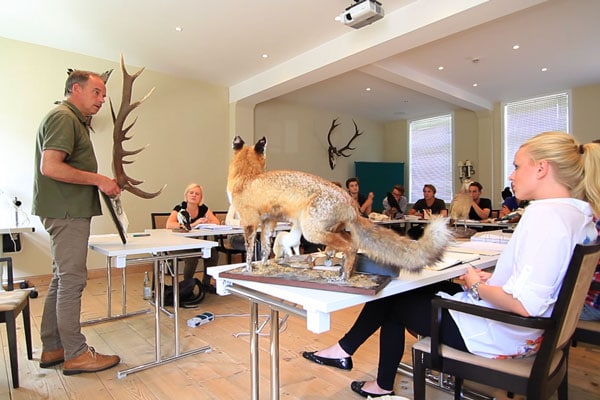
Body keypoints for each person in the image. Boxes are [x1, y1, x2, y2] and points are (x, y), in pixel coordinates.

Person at [303, 132, 600, 398]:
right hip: (533, 334)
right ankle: (356, 363)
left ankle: (359, 365)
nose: (512, 175)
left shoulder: (544, 216)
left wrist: (477, 285)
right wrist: (488, 282)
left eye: (517, 166)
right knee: (407, 293)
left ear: (541, 167)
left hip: (504, 334)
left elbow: (525, 306)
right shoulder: (581, 217)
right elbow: (542, 283)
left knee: (391, 297)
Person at [32, 70, 121, 374]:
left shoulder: (69, 119)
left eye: (103, 93)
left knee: (61, 279)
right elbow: (51, 166)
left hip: (64, 209)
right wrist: (99, 180)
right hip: (67, 211)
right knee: (72, 281)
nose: (102, 98)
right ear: (75, 89)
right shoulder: (64, 117)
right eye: (96, 92)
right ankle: (77, 353)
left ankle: (53, 346)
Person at [165, 183, 220, 283]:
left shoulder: (203, 208)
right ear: (186, 195)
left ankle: (206, 284)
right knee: (192, 258)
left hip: (193, 243)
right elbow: (169, 224)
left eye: (197, 194)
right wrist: (193, 224)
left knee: (213, 253)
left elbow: (216, 222)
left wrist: (207, 222)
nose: (194, 195)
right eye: (191, 193)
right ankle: (187, 285)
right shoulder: (180, 208)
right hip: (176, 245)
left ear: (201, 198)